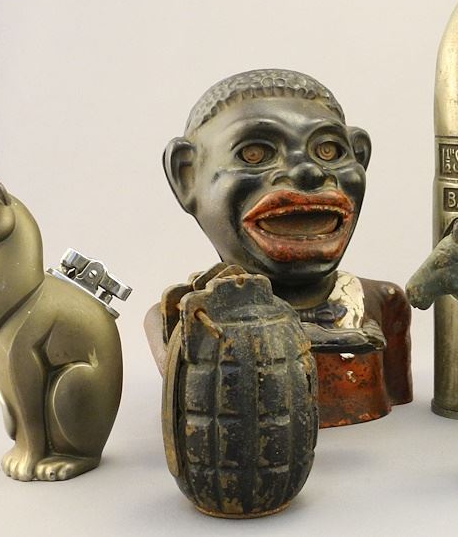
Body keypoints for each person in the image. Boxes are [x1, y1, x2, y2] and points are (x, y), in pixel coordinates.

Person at [146, 69, 411, 427]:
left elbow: (397, 386)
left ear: (360, 156)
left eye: (328, 150)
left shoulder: (382, 302)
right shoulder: (185, 320)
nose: (307, 172)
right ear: (186, 176)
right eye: (255, 154)